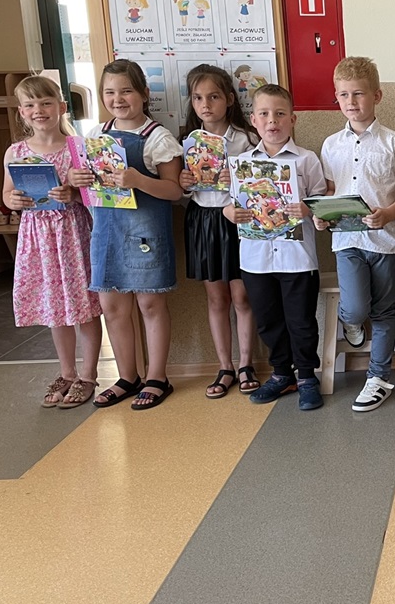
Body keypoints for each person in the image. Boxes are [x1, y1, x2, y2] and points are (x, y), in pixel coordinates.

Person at [68, 60, 183, 409]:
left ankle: (157, 377)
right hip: (106, 233)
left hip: (146, 233)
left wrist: (139, 180)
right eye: (109, 92)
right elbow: (88, 190)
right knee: (112, 306)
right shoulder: (95, 135)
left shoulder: (158, 137)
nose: (118, 99)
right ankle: (127, 376)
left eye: (126, 91)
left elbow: (174, 191)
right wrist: (77, 181)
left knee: (150, 304)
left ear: (144, 94)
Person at [316, 57, 395, 412]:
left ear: (377, 95)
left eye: (358, 93)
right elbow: (329, 190)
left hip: (386, 242)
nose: (351, 101)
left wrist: (388, 213)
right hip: (346, 242)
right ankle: (351, 322)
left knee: (384, 310)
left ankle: (378, 377)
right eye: (343, 95)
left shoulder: (394, 142)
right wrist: (321, 216)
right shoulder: (331, 145)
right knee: (356, 307)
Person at [2, 75, 104, 409]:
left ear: (61, 107)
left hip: (73, 234)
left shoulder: (77, 148)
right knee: (54, 307)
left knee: (84, 306)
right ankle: (67, 372)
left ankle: (88, 374)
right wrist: (14, 201)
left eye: (46, 103)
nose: (39, 110)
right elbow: (7, 194)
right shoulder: (16, 152)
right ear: (21, 112)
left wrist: (72, 192)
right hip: (38, 239)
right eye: (30, 105)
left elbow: (94, 194)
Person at [227, 84, 327, 411]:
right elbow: (231, 203)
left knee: (301, 321)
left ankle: (307, 376)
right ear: (254, 120)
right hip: (255, 259)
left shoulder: (306, 160)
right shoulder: (241, 163)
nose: (273, 121)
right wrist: (230, 213)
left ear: (292, 119)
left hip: (298, 258)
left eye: (280, 114)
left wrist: (309, 208)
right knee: (268, 320)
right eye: (265, 114)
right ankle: (282, 374)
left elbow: (321, 202)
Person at [178, 64, 260, 399]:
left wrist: (237, 179)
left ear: (229, 99)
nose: (205, 104)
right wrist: (184, 183)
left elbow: (261, 185)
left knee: (242, 296)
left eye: (213, 97)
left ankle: (246, 364)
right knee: (216, 297)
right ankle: (225, 366)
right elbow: (183, 191)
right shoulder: (187, 142)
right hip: (203, 220)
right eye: (198, 98)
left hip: (238, 219)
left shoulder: (247, 139)